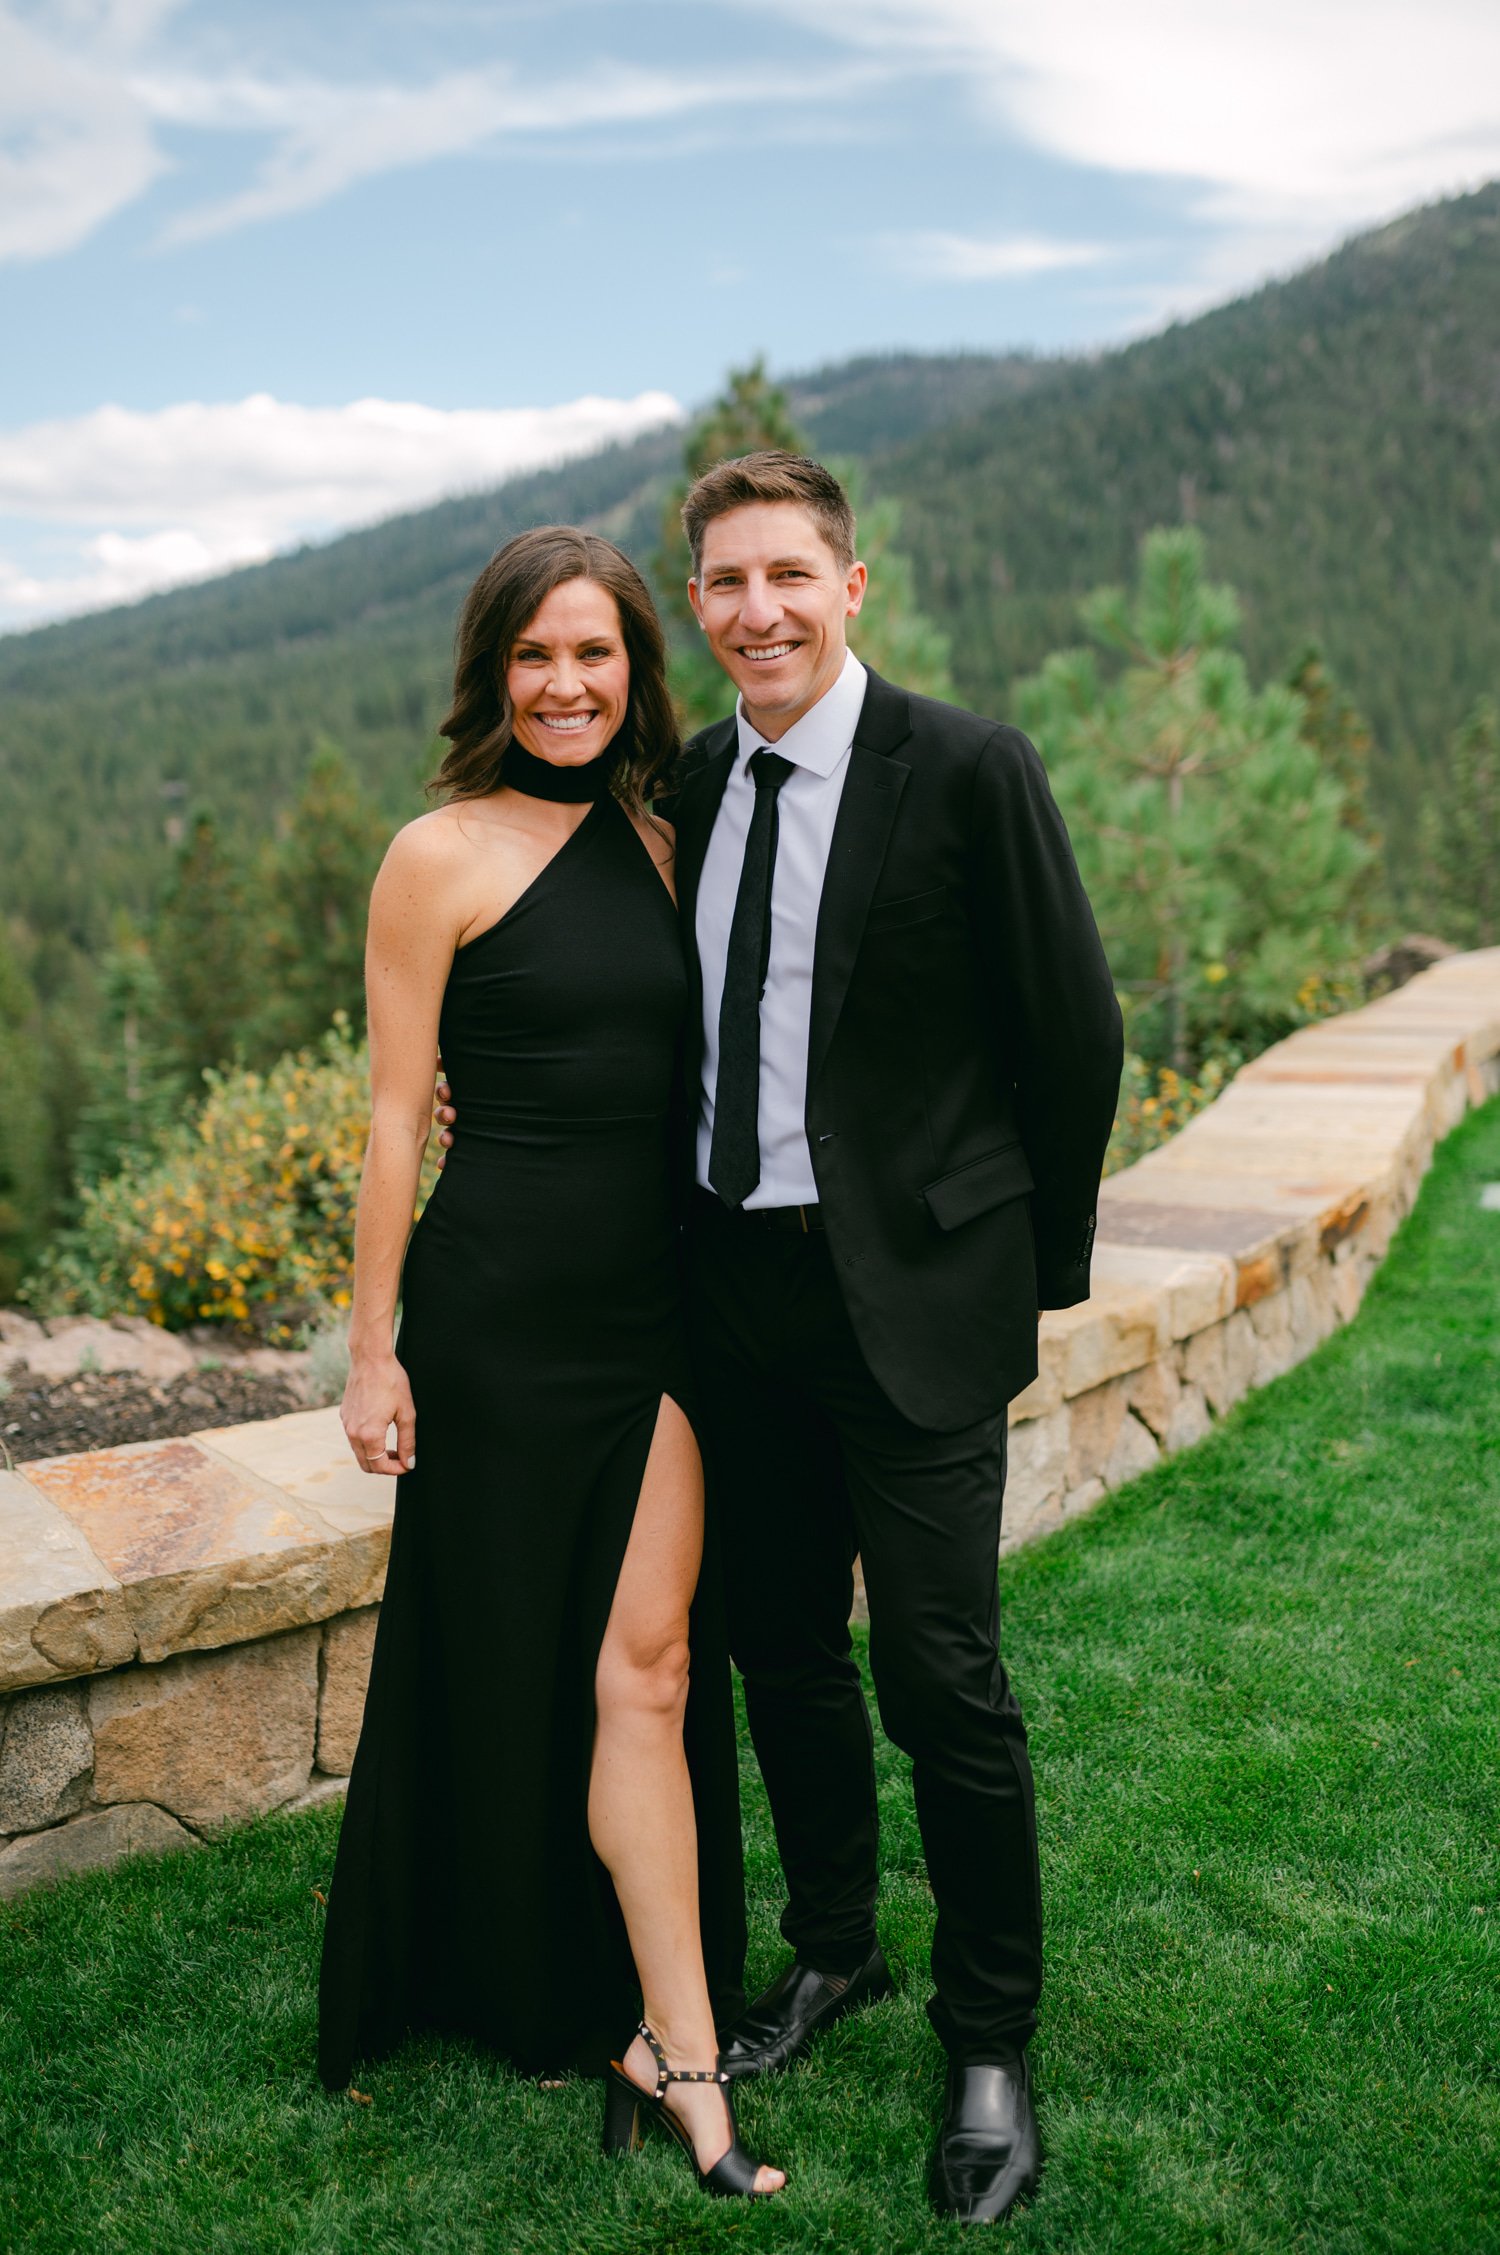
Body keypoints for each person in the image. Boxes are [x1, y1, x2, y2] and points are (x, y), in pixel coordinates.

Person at [441, 451, 1123, 2225]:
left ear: (852, 585)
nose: (757, 614)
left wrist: (1020, 1277)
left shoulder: (967, 770)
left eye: (786, 580)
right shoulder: (683, 782)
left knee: (940, 1676)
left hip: (912, 1304)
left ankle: (991, 2036)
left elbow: (1074, 1035)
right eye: (725, 585)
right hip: (723, 1297)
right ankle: (833, 1950)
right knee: (775, 1654)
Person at [319, 525, 784, 2200]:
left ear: (633, 673)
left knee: (647, 1667)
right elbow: (391, 1119)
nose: (566, 686)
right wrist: (373, 1352)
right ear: (492, 674)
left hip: (657, 1319)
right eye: (535, 657)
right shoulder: (433, 855)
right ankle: (608, 2014)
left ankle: (677, 2039)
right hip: (499, 1314)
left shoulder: (671, 846)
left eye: (594, 655)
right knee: (518, 1655)